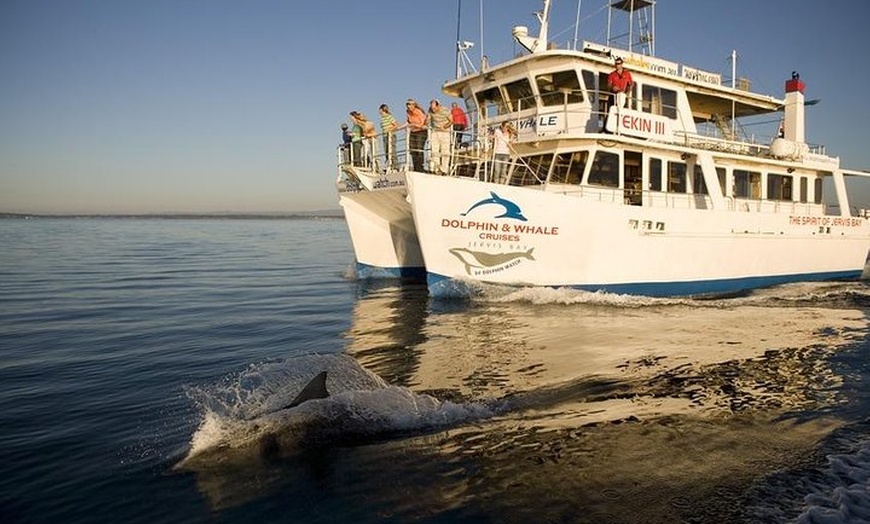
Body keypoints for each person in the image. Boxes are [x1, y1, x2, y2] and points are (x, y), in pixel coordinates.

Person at [428, 99, 453, 175]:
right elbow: (428, 118)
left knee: (445, 151)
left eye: (434, 108)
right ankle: (436, 168)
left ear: (438, 105)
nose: (433, 110)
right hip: (435, 131)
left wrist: (444, 127)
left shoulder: (445, 110)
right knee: (434, 150)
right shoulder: (430, 110)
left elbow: (451, 121)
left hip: (444, 132)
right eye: (432, 108)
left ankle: (444, 170)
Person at [405, 99, 428, 172]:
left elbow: (422, 124)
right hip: (413, 131)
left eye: (410, 104)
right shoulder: (408, 112)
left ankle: (420, 167)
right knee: (412, 149)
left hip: (421, 131)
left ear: (414, 105)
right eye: (408, 104)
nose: (409, 106)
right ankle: (415, 167)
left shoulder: (418, 112)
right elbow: (408, 122)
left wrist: (413, 125)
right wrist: (399, 127)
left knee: (419, 149)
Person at [378, 104, 399, 170]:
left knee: (392, 151)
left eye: (379, 109)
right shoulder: (382, 118)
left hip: (391, 135)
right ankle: (390, 165)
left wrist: (389, 130)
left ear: (381, 110)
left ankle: (395, 166)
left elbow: (396, 125)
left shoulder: (389, 117)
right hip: (384, 136)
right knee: (386, 151)